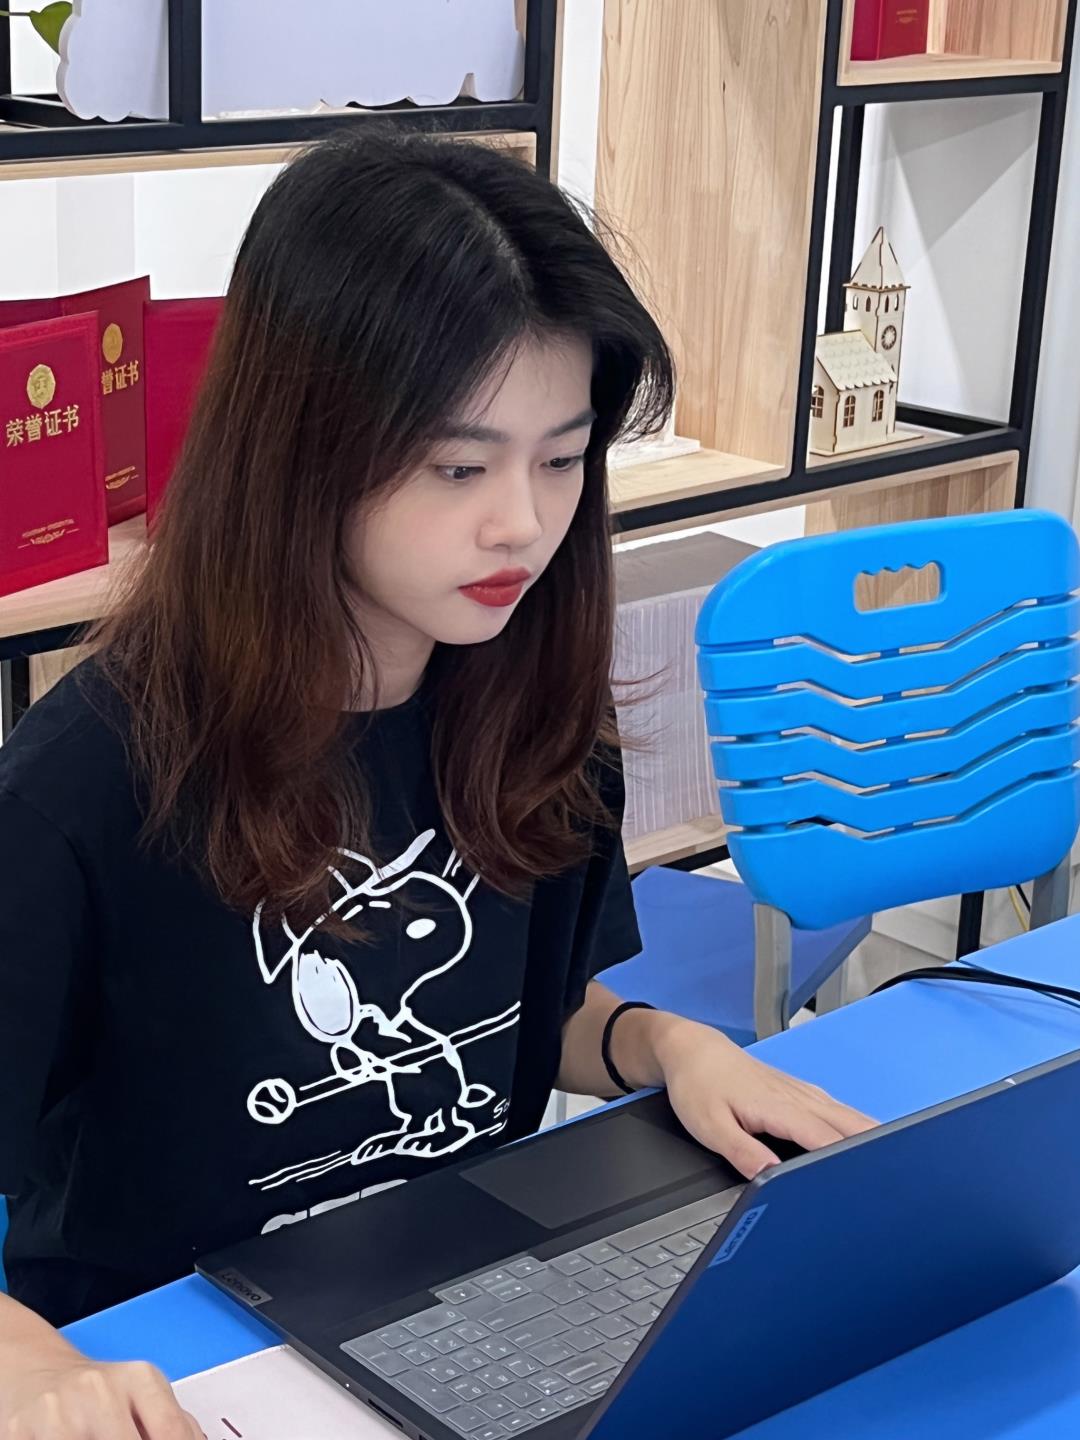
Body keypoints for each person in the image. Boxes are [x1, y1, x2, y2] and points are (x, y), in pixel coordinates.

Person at [0, 130, 873, 1437]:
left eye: (562, 458)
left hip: (461, 1317)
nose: (522, 522)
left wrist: (665, 1045)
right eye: (460, 467)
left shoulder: (533, 712)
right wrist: (28, 1368)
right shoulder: (78, 792)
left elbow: (525, 1015)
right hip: (179, 1361)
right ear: (299, 448)